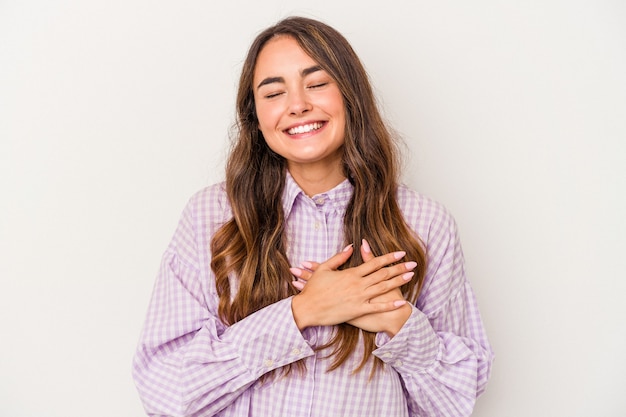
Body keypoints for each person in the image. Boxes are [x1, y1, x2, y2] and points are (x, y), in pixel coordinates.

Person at [132, 16, 494, 417]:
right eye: (273, 93)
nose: (298, 104)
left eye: (317, 83)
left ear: (350, 95)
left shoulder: (424, 223)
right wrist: (303, 312)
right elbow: (166, 390)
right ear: (255, 116)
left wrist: (399, 321)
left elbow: (454, 401)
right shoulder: (213, 216)